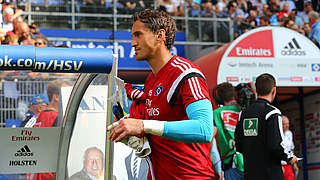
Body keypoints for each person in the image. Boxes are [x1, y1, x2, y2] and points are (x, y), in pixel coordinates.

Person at [108, 9, 214, 179]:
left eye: (138, 35)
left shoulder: (185, 73)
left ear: (160, 35)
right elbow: (156, 132)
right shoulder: (150, 81)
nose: (133, 43)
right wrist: (130, 132)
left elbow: (205, 129)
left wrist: (143, 125)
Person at [235, 73, 297, 180]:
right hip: (270, 174)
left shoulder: (243, 113)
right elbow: (275, 145)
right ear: (274, 90)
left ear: (256, 90)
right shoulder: (272, 112)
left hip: (250, 174)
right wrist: (289, 157)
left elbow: (239, 145)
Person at [213, 82, 244, 180]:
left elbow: (210, 139)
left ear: (219, 98)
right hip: (249, 162)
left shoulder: (216, 113)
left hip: (229, 165)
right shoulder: (245, 110)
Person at [281, 115, 299, 180]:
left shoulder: (289, 133)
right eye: (284, 124)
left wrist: (294, 165)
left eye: (288, 123)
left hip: (288, 164)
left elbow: (291, 149)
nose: (287, 126)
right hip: (279, 166)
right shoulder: (276, 134)